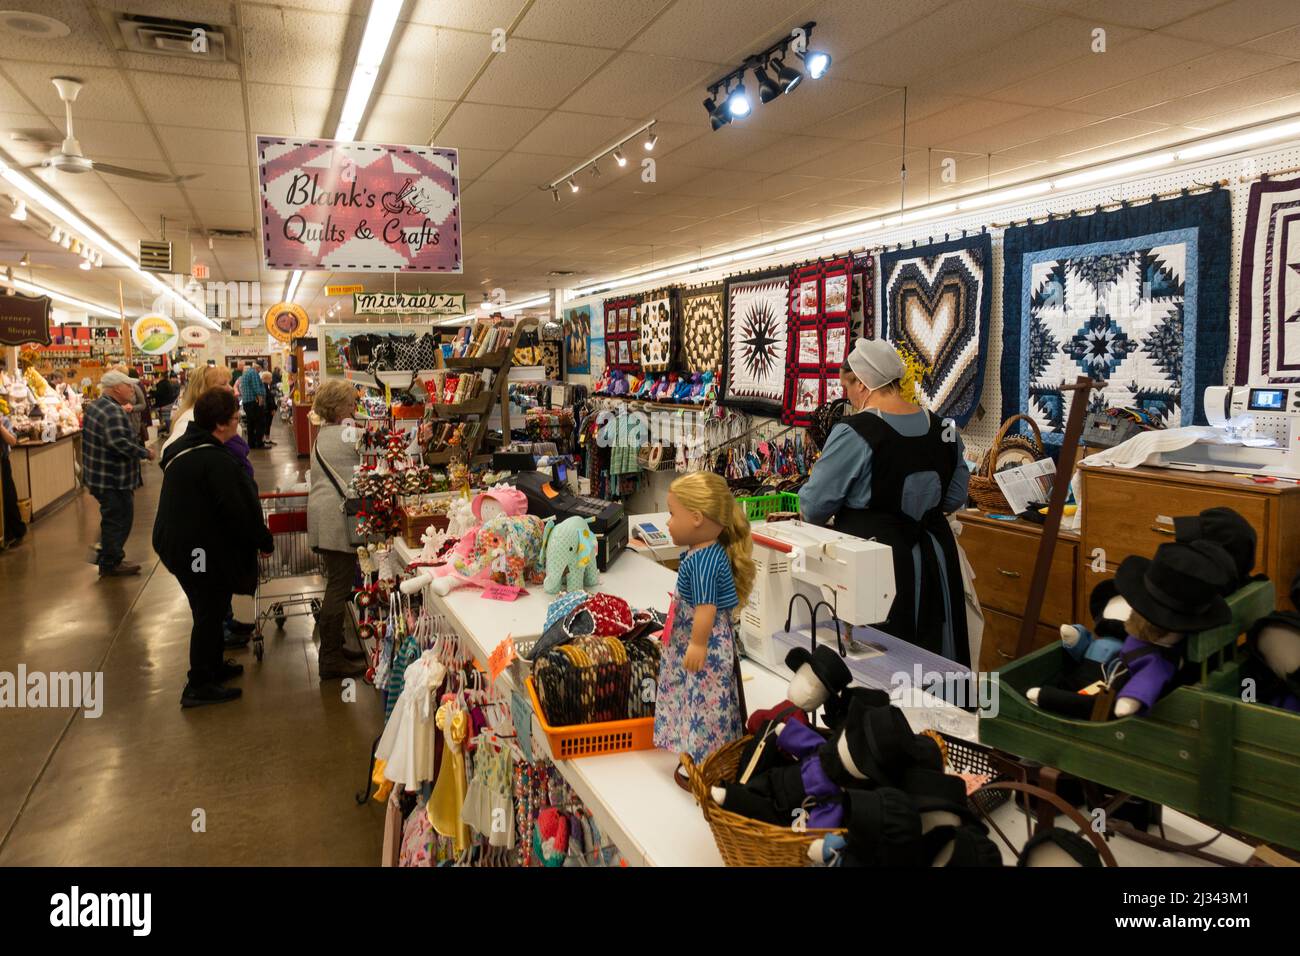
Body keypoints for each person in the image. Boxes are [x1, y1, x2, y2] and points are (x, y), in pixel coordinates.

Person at [799, 338, 972, 665]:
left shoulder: (856, 431)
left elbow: (814, 506)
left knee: (883, 661)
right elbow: (955, 496)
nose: (847, 395)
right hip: (936, 557)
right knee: (935, 654)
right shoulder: (945, 429)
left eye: (847, 386)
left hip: (878, 562)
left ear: (862, 384)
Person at [155, 389, 273, 708]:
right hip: (193, 551)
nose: (239, 423)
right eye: (235, 419)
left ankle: (213, 665)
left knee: (215, 604)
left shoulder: (190, 447)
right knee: (207, 610)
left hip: (184, 544)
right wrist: (263, 540)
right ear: (220, 424)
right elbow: (238, 511)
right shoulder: (214, 460)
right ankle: (199, 683)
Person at [653, 471, 755, 772]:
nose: (668, 523)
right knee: (696, 696)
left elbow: (706, 609)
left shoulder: (703, 561)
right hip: (696, 640)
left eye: (672, 515)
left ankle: (704, 756)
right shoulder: (703, 553)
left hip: (703, 645)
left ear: (696, 518)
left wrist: (697, 644)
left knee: (703, 701)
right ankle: (696, 751)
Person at [306, 379, 367, 680]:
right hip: (335, 521)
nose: (355, 408)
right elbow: (380, 447)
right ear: (339, 407)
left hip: (323, 517)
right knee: (338, 587)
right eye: (351, 403)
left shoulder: (323, 434)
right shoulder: (347, 434)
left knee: (336, 582)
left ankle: (336, 648)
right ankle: (330, 658)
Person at [82, 369, 156, 576]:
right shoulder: (113, 411)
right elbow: (119, 443)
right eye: (128, 385)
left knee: (113, 517)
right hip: (112, 478)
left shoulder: (97, 406)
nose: (132, 389)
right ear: (116, 388)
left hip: (99, 476)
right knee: (119, 518)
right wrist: (145, 452)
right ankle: (110, 562)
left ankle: (106, 555)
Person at [162, 364, 230, 456]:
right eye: (223, 384)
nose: (230, 388)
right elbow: (169, 452)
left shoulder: (212, 413)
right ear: (204, 389)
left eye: (229, 383)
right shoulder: (190, 418)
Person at [1, 406, 26, 547]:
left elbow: (12, 441)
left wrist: (0, 428)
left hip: (2, 464)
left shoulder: (4, 420)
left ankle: (16, 531)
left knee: (8, 497)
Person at [238, 361, 268, 449]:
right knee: (259, 423)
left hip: (247, 402)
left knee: (251, 424)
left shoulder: (247, 373)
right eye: (260, 369)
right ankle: (259, 443)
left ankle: (251, 443)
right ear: (258, 367)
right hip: (254, 402)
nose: (260, 371)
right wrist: (261, 401)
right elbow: (256, 388)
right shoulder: (254, 373)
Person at [152, 372, 179, 438]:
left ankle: (169, 432)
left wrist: (151, 392)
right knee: (166, 417)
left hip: (165, 404)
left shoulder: (162, 384)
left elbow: (158, 394)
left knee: (166, 418)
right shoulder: (167, 383)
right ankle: (168, 430)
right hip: (169, 403)